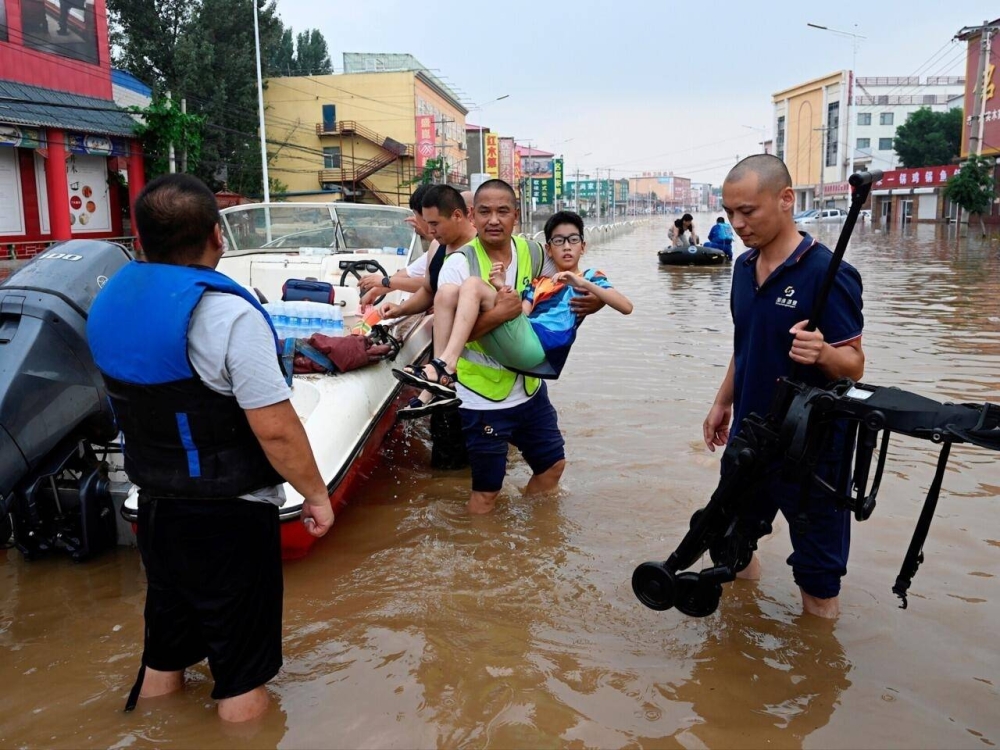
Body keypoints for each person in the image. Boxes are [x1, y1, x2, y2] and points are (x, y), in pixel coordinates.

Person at [87, 174, 335, 721]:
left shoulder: (108, 305)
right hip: (229, 514)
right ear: (217, 235)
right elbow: (275, 428)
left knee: (165, 652)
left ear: (139, 235)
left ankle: (151, 730)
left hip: (154, 509)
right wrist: (315, 496)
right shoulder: (229, 316)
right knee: (240, 675)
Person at [703, 154, 864, 619]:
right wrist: (721, 403)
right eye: (730, 212)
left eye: (748, 211)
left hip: (812, 451)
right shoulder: (741, 268)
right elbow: (745, 345)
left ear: (786, 199)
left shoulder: (827, 274)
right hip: (751, 437)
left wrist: (825, 354)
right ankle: (741, 638)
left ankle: (817, 674)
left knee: (817, 582)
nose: (737, 224)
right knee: (731, 548)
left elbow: (854, 366)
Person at [390, 180, 601, 515]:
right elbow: (454, 335)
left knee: (552, 468)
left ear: (516, 216)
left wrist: (594, 301)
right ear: (472, 216)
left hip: (529, 387)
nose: (493, 220)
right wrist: (500, 315)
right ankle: (482, 560)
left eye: (503, 211)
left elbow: (566, 281)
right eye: (485, 211)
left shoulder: (533, 253)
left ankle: (531, 538)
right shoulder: (459, 265)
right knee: (487, 493)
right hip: (482, 396)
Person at [393, 209, 632, 393]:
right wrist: (500, 288)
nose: (567, 247)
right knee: (447, 292)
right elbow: (520, 316)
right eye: (559, 241)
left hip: (539, 348)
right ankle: (437, 384)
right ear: (549, 249)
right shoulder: (539, 282)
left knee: (474, 284)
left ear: (584, 245)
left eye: (573, 240)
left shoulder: (590, 277)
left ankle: (446, 366)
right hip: (522, 340)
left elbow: (626, 307)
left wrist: (582, 284)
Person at [379, 184, 478, 417]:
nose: (429, 231)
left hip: (474, 357)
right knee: (444, 436)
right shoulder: (437, 246)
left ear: (459, 215)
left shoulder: (483, 248)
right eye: (427, 223)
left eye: (434, 224)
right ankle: (434, 388)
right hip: (442, 353)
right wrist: (399, 310)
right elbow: (428, 290)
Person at [357, 184, 436, 305]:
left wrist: (384, 281)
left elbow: (430, 284)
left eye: (416, 216)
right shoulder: (437, 247)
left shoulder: (452, 248)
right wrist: (374, 292)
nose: (415, 221)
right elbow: (408, 273)